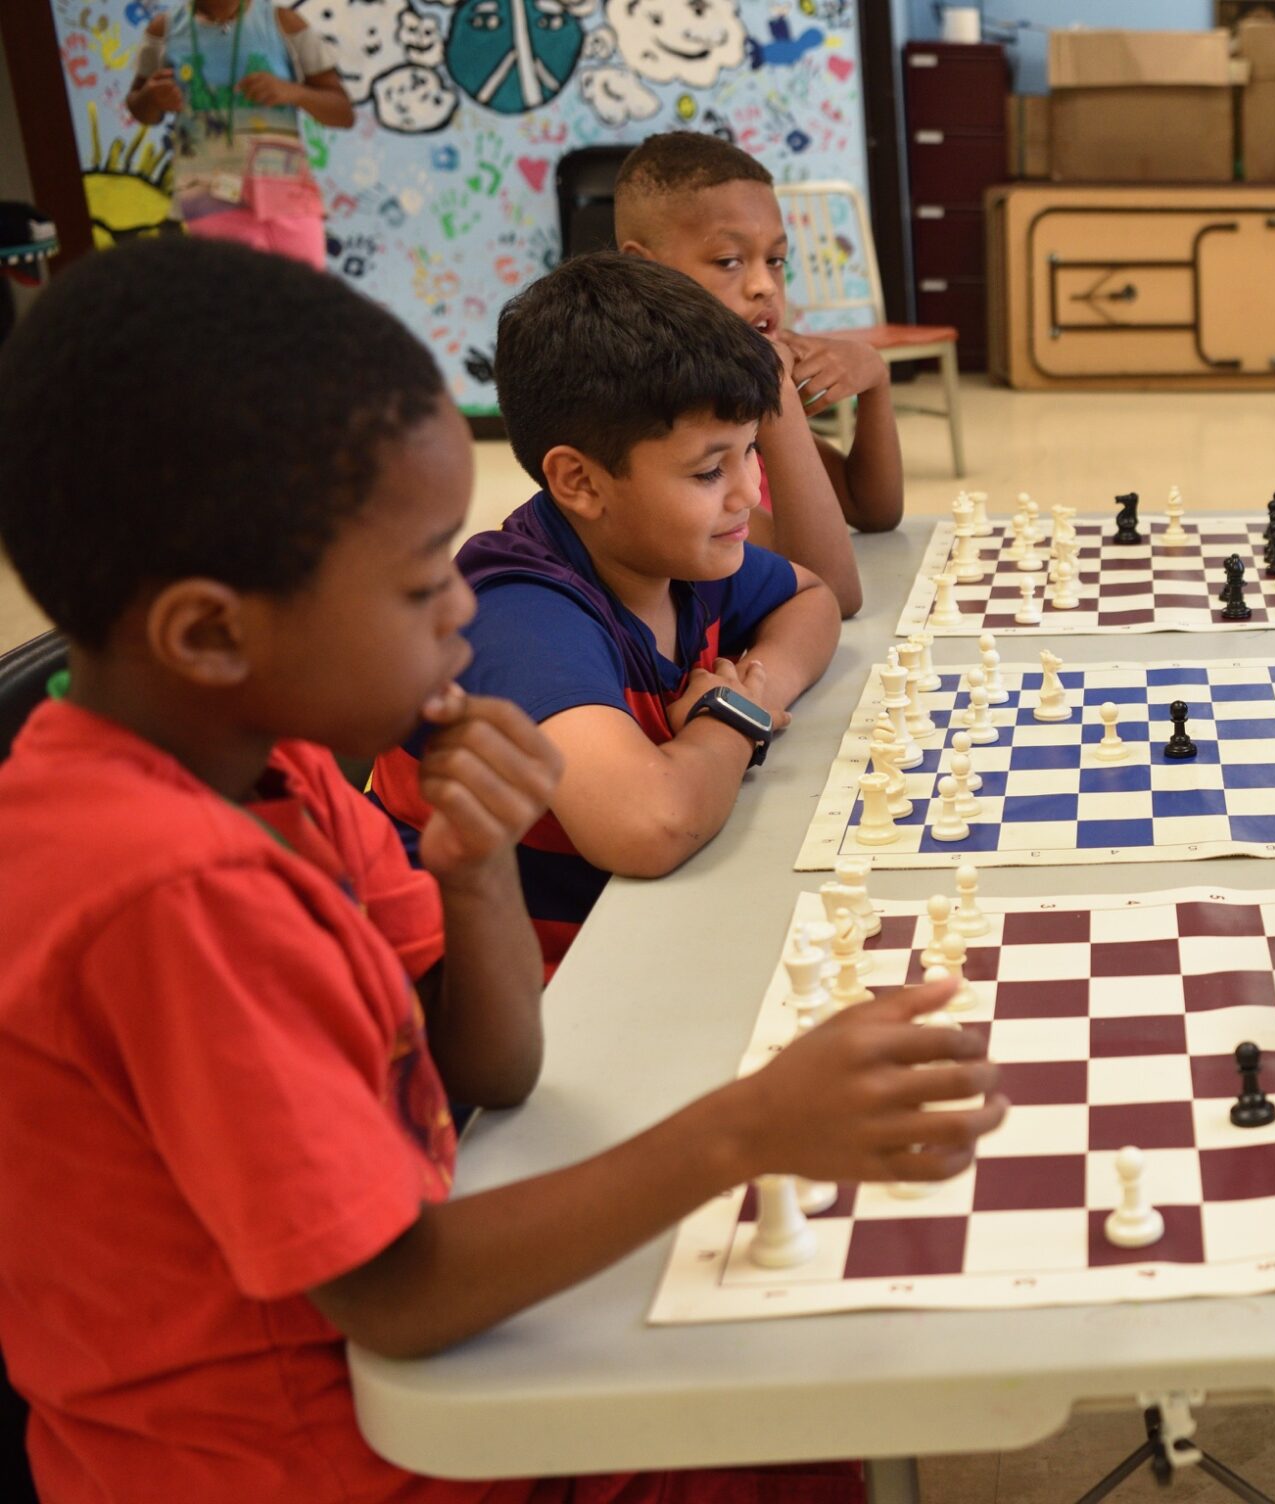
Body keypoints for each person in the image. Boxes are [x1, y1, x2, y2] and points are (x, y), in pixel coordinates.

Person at [0, 238, 1003, 1504]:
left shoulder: (285, 771)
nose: (464, 614)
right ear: (209, 633)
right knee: (783, 1394)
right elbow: (398, 1291)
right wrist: (746, 1128)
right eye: (421, 584)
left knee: (799, 1424)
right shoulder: (167, 886)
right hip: (331, 1456)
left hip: (404, 1380)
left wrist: (468, 869)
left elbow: (492, 1068)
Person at [371, 254, 841, 977]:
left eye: (751, 452)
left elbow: (814, 599)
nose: (748, 492)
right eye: (709, 470)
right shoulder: (521, 610)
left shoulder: (676, 553)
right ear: (580, 481)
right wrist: (730, 721)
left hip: (630, 945)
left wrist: (760, 689)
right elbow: (650, 825)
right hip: (499, 1011)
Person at [616, 130, 906, 617]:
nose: (763, 286)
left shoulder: (731, 390)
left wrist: (874, 381)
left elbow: (871, 509)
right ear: (644, 270)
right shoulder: (667, 420)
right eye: (729, 262)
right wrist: (778, 390)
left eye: (775, 260)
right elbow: (826, 592)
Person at [124, 0, 353, 268]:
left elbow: (342, 113)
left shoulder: (284, 23)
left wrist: (293, 92)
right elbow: (140, 107)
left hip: (288, 196)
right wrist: (152, 98)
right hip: (209, 201)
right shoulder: (163, 30)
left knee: (306, 302)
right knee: (237, 305)